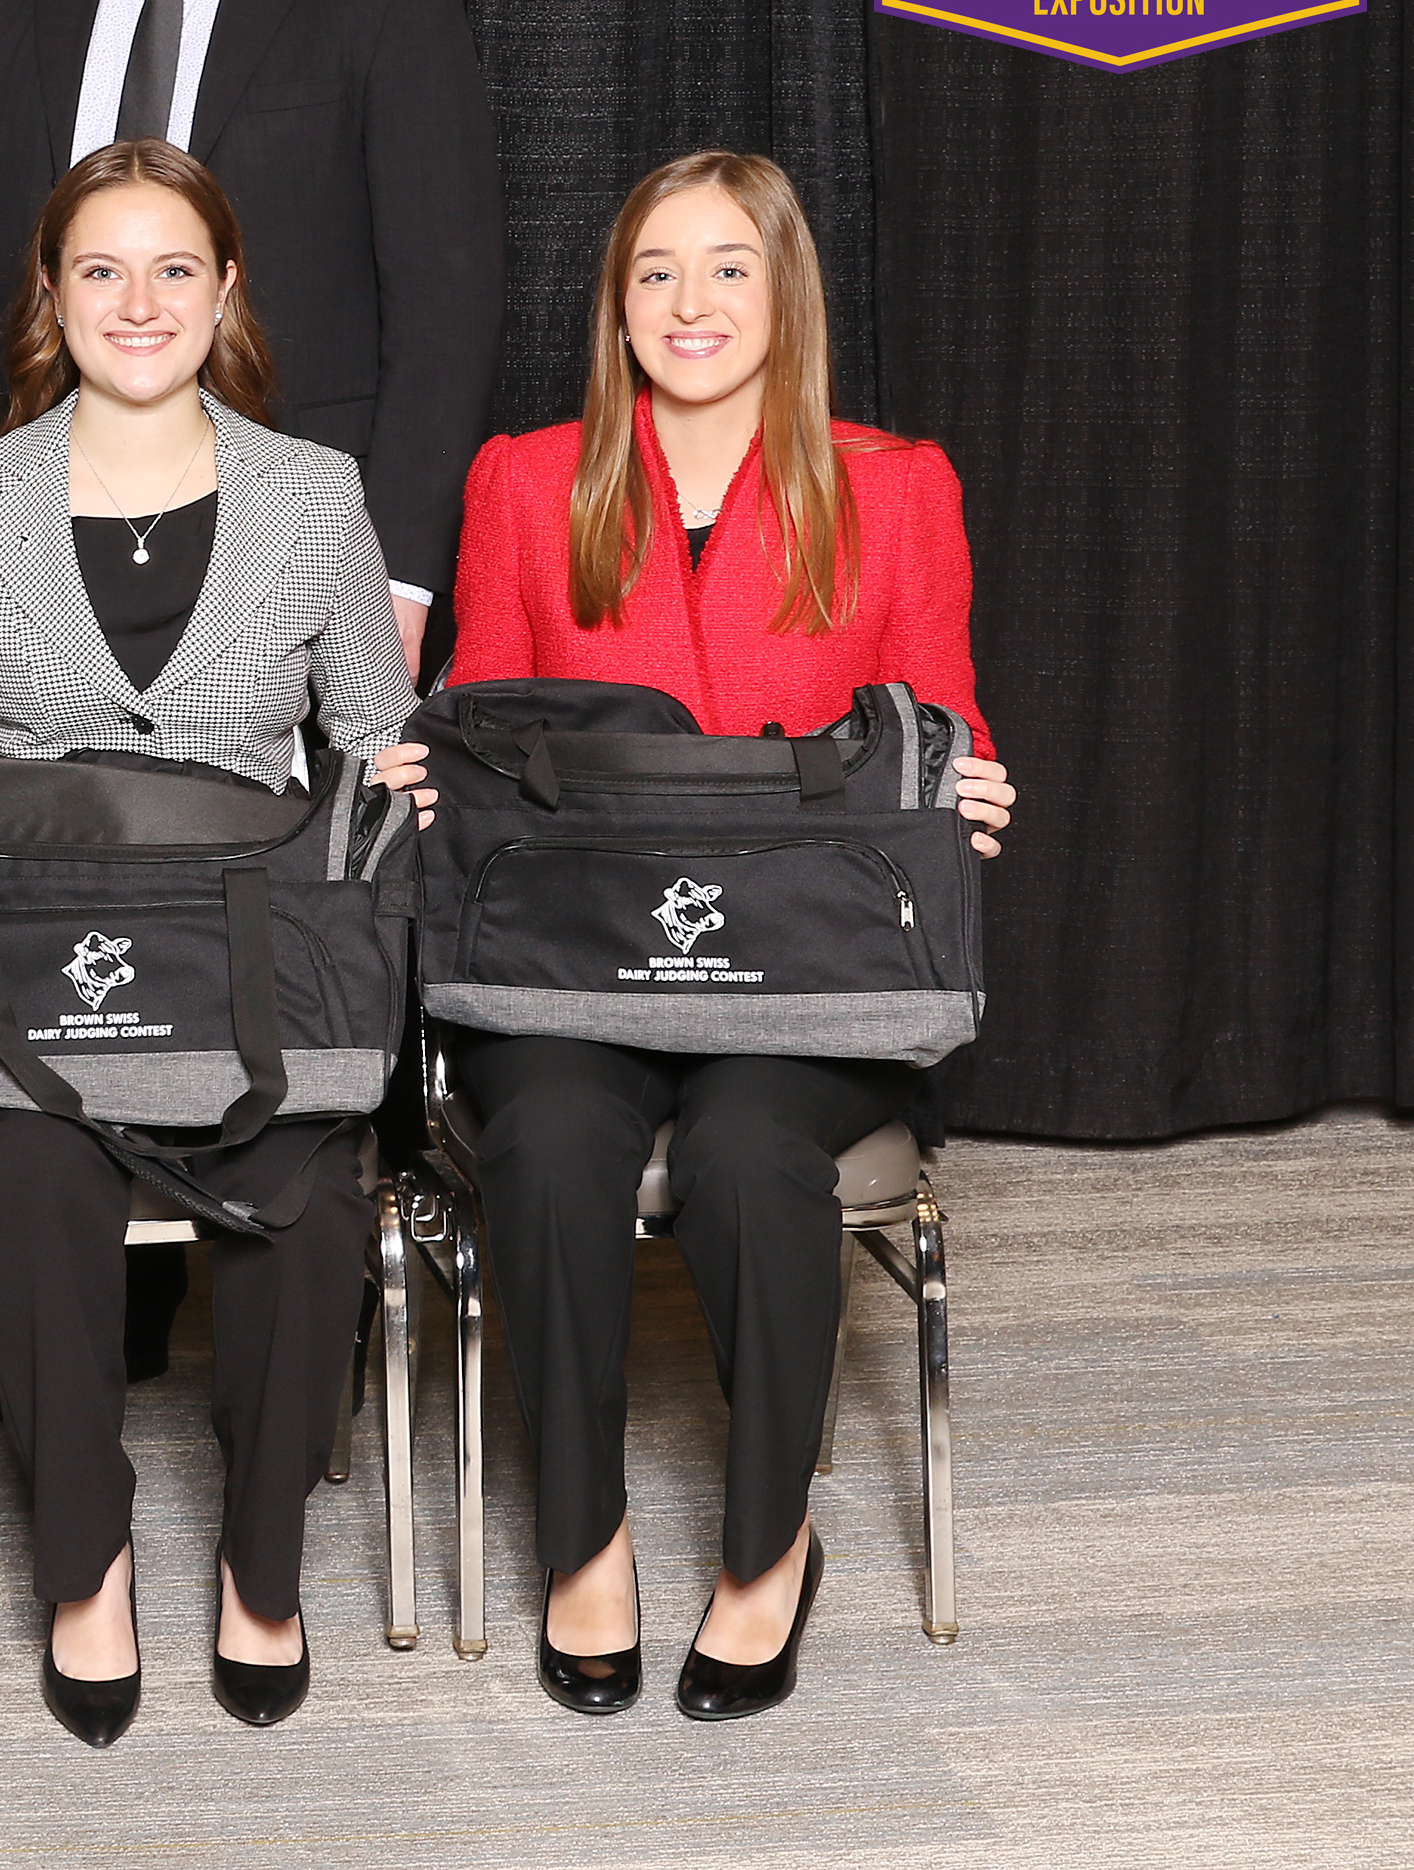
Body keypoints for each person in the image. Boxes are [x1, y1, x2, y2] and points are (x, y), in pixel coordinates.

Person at [0, 0, 506, 1393]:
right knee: (61, 883)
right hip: (24, 534)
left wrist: (398, 575)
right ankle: (94, 1305)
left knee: (260, 906)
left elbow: (447, 289)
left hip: (281, 536)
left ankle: (289, 1321)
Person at [424, 148, 1014, 1725]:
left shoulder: (896, 485)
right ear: (617, 308)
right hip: (571, 965)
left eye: (729, 268)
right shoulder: (523, 480)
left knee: (755, 1156)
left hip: (807, 979)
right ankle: (586, 1541)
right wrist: (437, 762)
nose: (694, 303)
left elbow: (937, 719)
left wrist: (972, 781)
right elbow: (487, 714)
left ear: (784, 293)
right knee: (546, 1145)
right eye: (658, 272)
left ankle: (769, 1552)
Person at [0, 140, 433, 1744]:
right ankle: (86, 1561)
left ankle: (265, 1569)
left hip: (244, 955)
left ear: (226, 291)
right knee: (32, 1178)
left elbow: (373, 744)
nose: (139, 300)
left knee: (312, 1190)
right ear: (49, 295)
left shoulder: (311, 493)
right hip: (32, 964)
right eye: (100, 268)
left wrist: (408, 786)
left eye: (174, 267)